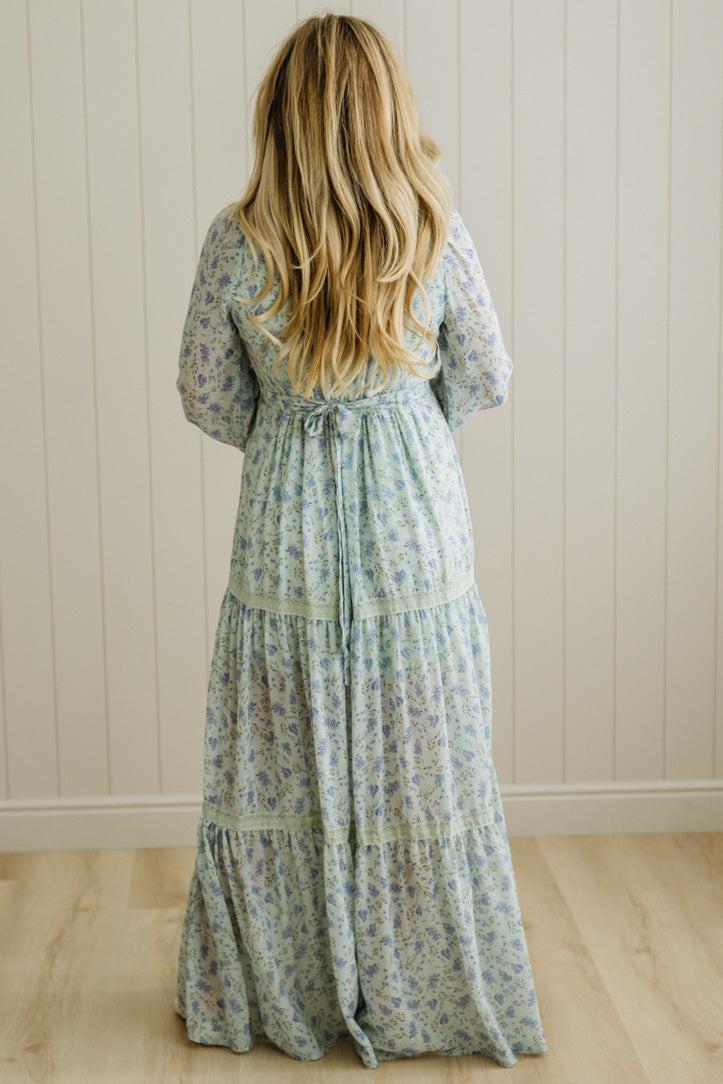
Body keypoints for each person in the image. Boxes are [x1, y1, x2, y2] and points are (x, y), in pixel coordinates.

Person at [173, 12, 547, 1071]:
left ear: (279, 117)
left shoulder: (236, 239)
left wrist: (292, 427)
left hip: (286, 518)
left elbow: (206, 393)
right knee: (421, 757)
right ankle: (419, 986)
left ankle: (290, 986)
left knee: (285, 748)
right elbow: (488, 374)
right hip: (411, 514)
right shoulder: (434, 228)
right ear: (391, 113)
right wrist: (404, 422)